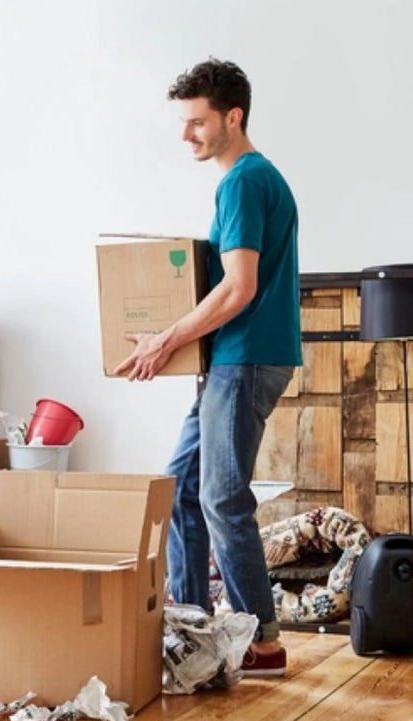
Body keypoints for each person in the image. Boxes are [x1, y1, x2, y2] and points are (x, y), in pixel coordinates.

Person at [114, 58, 302, 677]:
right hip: (233, 358)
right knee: (181, 488)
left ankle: (262, 642)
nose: (185, 135)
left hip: (245, 357)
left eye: (196, 122)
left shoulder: (244, 180)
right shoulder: (245, 179)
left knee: (221, 497)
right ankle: (191, 622)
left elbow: (239, 288)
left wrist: (165, 340)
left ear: (232, 117)